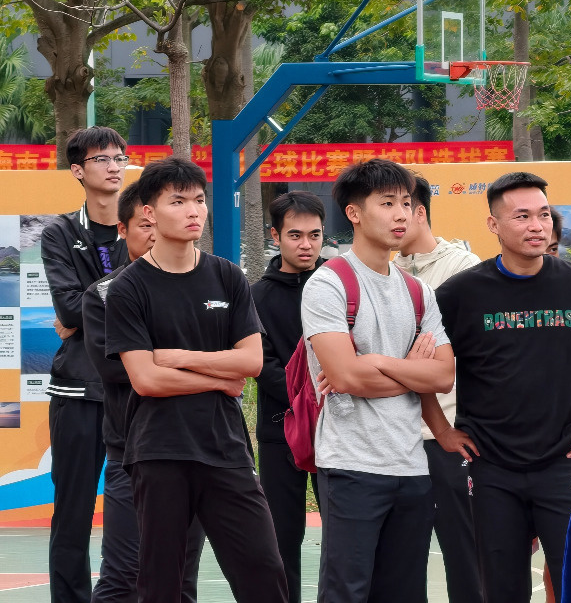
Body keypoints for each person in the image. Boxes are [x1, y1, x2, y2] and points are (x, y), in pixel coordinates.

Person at [435, 172, 571, 603]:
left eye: (543, 215)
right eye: (522, 216)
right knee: (502, 590)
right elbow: (421, 364)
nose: (537, 226)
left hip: (565, 464)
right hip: (491, 468)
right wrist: (440, 429)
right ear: (494, 224)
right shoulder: (460, 293)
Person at [104, 157, 288, 603]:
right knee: (162, 582)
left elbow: (251, 361)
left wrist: (183, 359)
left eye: (199, 200)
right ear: (149, 212)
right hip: (159, 451)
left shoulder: (227, 276)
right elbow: (146, 380)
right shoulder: (128, 288)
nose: (193, 211)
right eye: (178, 201)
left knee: (263, 569)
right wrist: (219, 379)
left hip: (225, 447)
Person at [301, 159, 454, 603]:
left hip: (411, 466)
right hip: (352, 465)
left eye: (406, 203)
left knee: (405, 593)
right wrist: (410, 369)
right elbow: (345, 376)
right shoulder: (329, 284)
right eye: (387, 204)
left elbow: (444, 375)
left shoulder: (418, 291)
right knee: (347, 591)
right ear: (354, 213)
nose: (402, 214)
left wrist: (378, 364)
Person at [82, 182, 204, 602]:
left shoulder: (209, 282)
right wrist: (201, 365)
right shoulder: (103, 294)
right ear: (124, 229)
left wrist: (169, 360)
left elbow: (238, 357)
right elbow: (119, 370)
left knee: (180, 581)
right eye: (144, 225)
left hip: (197, 448)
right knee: (123, 577)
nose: (155, 233)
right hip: (131, 452)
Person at [41, 126, 130, 603]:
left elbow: (160, 297)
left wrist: (87, 305)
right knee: (72, 513)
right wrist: (120, 295)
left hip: (136, 387)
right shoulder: (59, 232)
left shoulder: (144, 224)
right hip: (77, 390)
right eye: (102, 159)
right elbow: (69, 309)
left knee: (140, 508)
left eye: (120, 157)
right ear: (78, 170)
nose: (114, 166)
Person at [393, 175, 483, 603]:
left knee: (466, 556)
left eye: (396, 205)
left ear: (418, 212)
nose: (389, 217)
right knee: (400, 562)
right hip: (395, 439)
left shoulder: (464, 268)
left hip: (450, 436)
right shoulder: (383, 272)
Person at [252, 191, 326, 603]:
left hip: (340, 427)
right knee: (283, 538)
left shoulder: (339, 285)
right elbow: (261, 364)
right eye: (295, 235)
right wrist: (308, 399)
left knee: (345, 534)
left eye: (314, 235)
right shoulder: (256, 296)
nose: (306, 244)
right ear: (275, 235)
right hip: (281, 430)